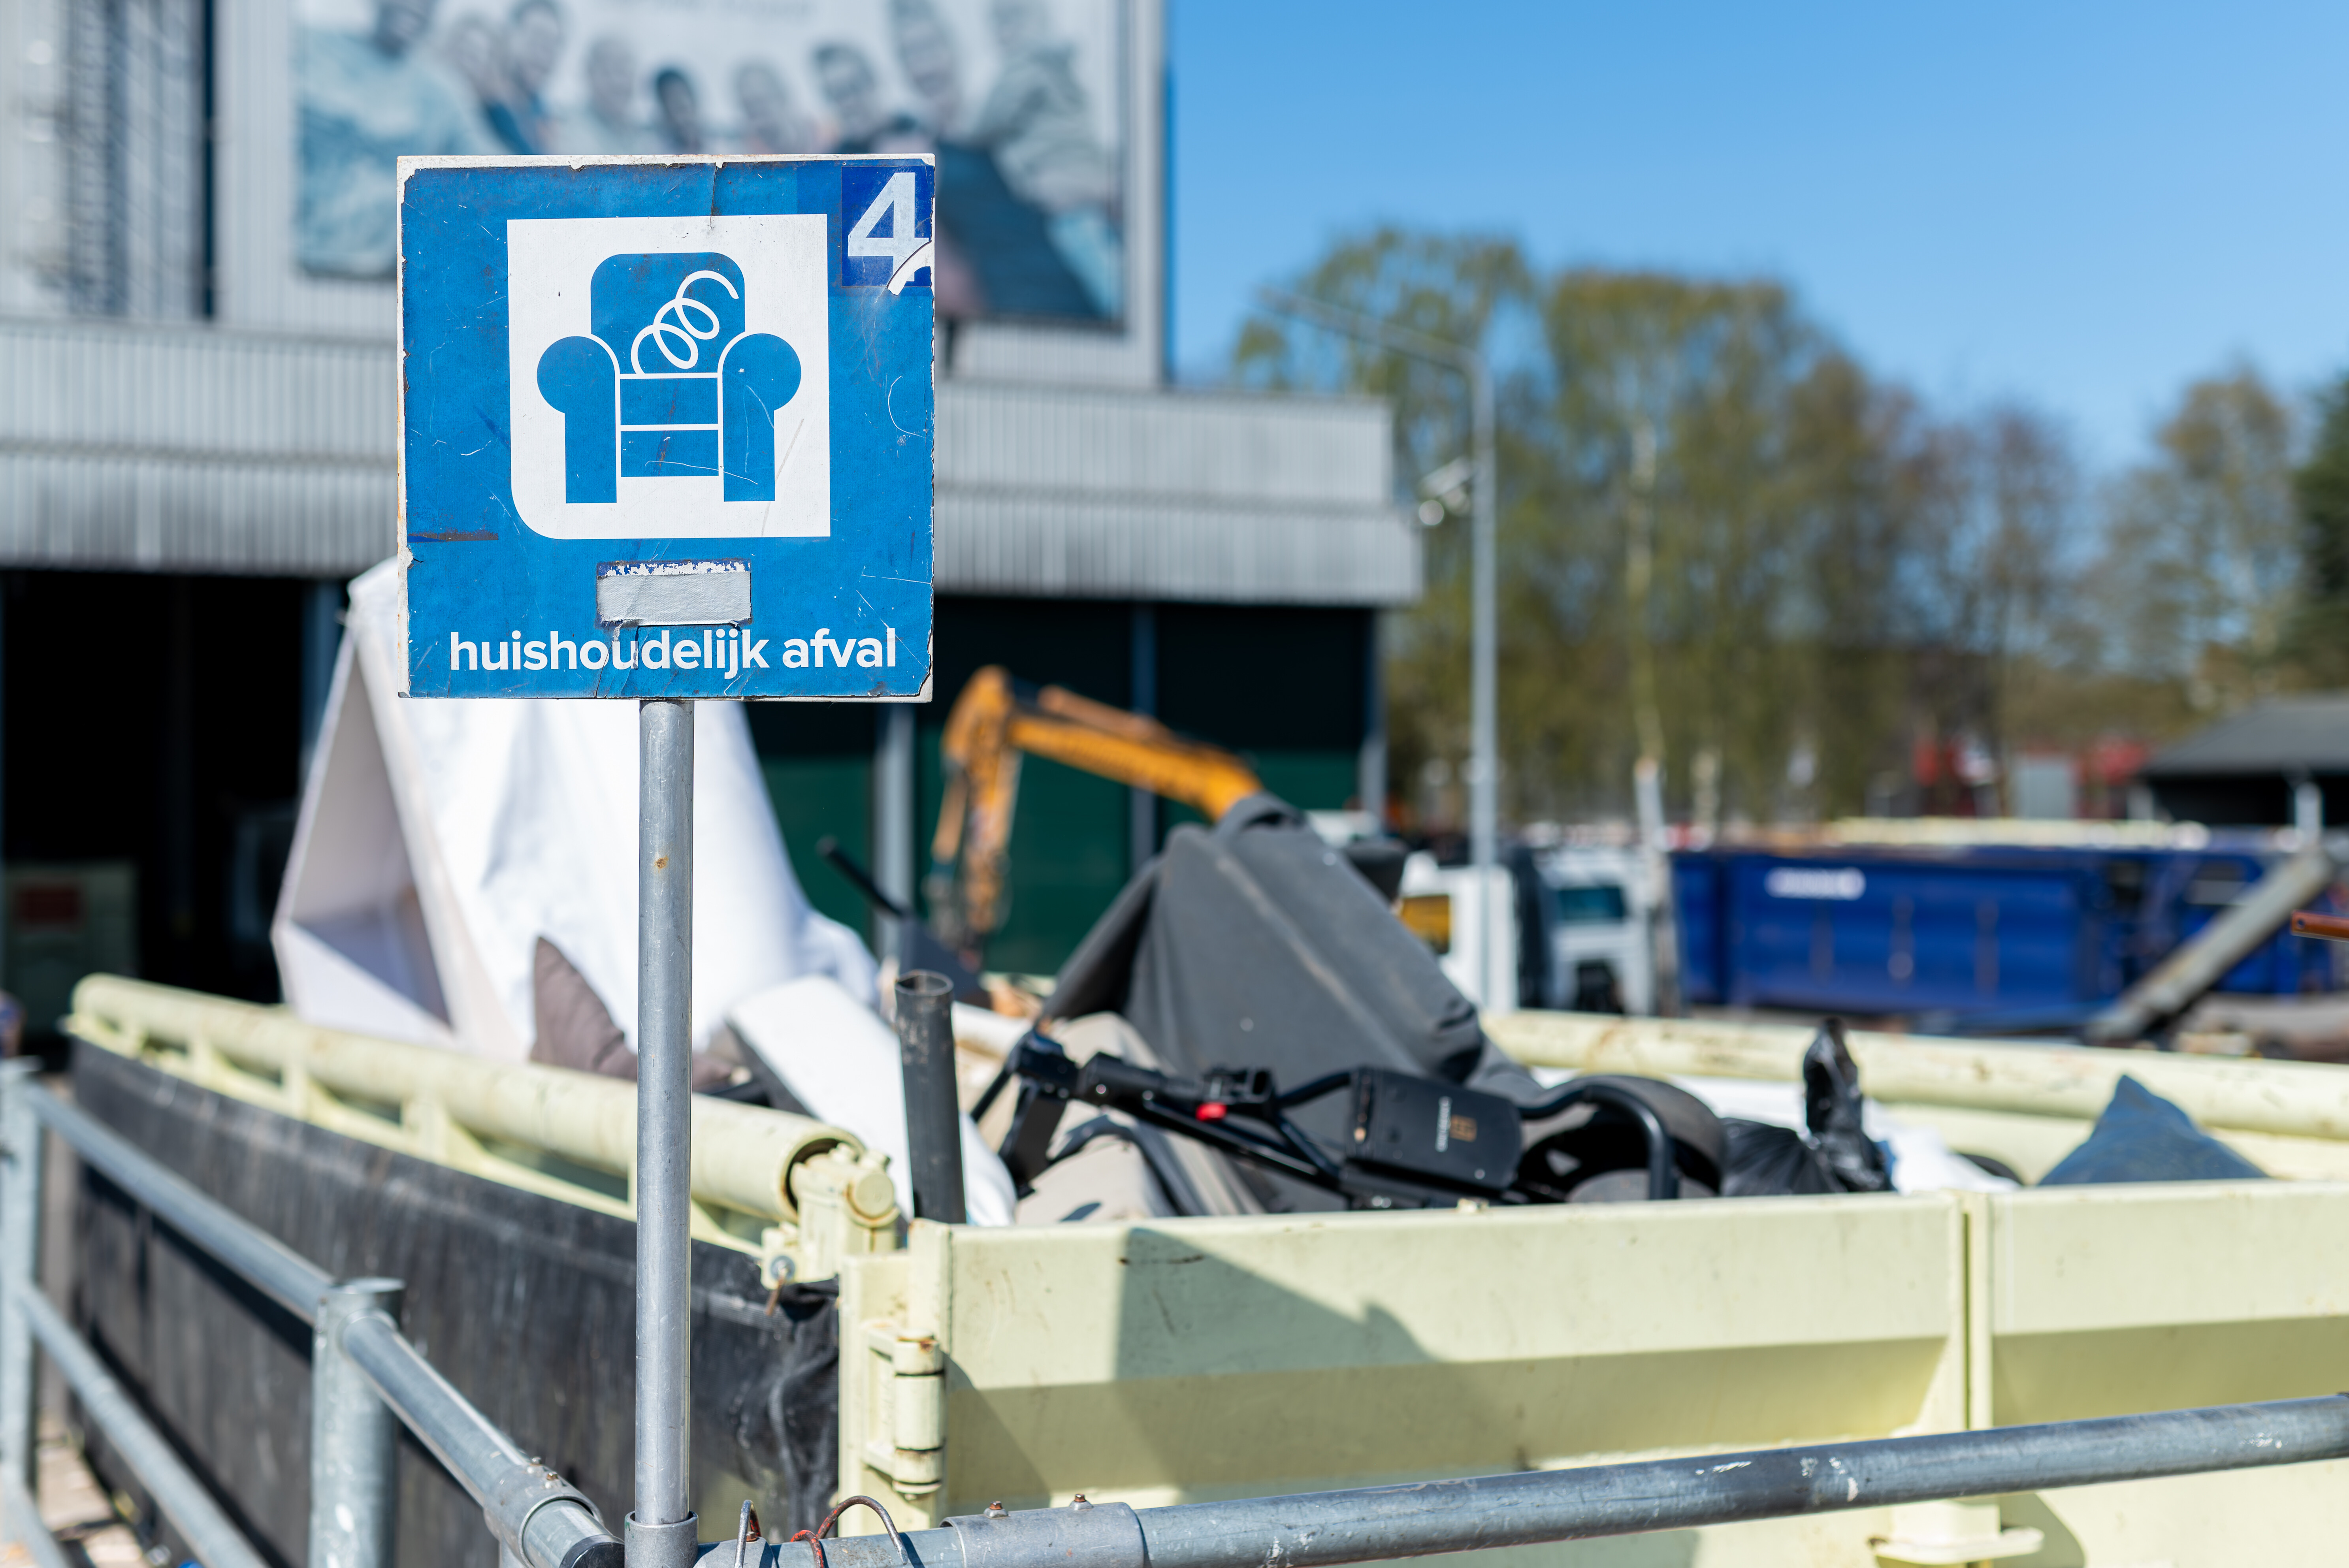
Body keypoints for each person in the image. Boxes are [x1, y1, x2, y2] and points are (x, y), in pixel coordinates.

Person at [296, 0, 482, 278]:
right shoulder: (315, 49)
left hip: (384, 274)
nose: (419, 7)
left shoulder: (442, 91)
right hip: (302, 257)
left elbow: (494, 164)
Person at [970, 0, 1121, 317]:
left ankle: (1118, 309)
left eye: (1011, 19)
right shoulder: (1058, 66)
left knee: (1097, 266)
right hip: (1085, 180)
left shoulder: (1026, 67)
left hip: (1067, 192)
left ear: (1038, 21)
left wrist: (962, 134)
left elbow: (989, 122)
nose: (1003, 32)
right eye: (997, 23)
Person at [561, 35, 653, 154]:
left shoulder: (646, 138)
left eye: (624, 71)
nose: (618, 82)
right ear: (590, 75)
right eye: (608, 72)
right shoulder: (566, 129)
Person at [733, 60, 814, 155]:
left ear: (781, 96)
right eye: (748, 105)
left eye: (760, 101)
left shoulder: (823, 137)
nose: (757, 112)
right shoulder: (747, 152)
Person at [651, 66, 703, 153]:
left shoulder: (722, 149)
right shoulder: (657, 153)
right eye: (673, 98)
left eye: (684, 94)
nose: (683, 102)